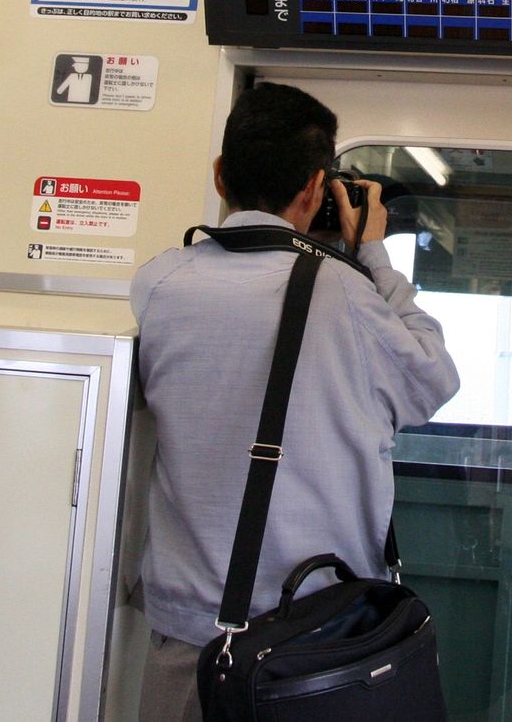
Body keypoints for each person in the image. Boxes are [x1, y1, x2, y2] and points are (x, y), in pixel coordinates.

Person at [133, 82, 458, 721]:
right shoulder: (346, 293)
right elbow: (432, 380)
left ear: (220, 174)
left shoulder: (159, 283)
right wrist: (372, 253)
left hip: (187, 636)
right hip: (311, 642)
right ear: (314, 188)